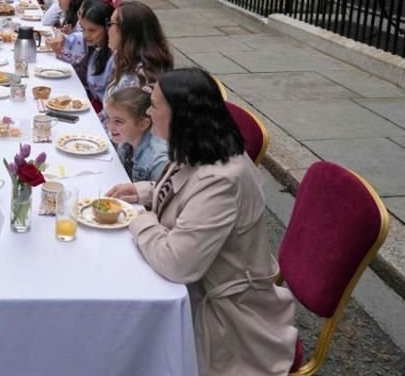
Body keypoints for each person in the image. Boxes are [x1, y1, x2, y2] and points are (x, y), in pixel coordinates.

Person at [107, 69, 297, 375]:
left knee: (118, 331)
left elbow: (178, 263)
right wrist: (145, 192)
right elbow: (190, 193)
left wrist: (139, 220)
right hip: (200, 291)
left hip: (226, 321)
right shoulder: (201, 147)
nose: (148, 112)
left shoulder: (222, 178)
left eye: (154, 105)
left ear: (181, 115)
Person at [48, 0, 114, 113]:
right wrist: (61, 37)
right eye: (83, 29)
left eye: (92, 30)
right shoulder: (95, 46)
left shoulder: (115, 57)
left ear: (108, 28)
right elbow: (69, 40)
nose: (86, 35)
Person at [105, 87, 167, 182]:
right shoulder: (127, 138)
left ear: (143, 124)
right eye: (108, 118)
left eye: (118, 121)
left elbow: (157, 195)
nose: (110, 126)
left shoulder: (158, 161)